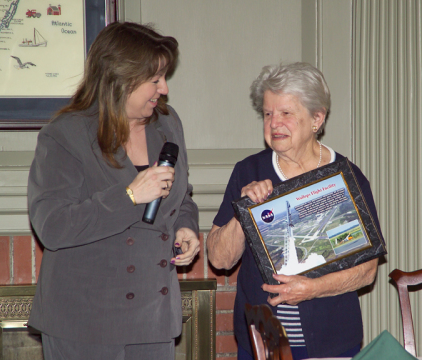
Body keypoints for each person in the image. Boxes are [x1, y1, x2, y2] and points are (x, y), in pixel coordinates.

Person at [27, 22, 200, 360]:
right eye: (154, 79)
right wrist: (130, 197)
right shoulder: (66, 135)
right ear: (120, 80)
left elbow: (182, 196)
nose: (163, 89)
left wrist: (186, 226)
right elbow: (53, 227)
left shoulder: (168, 124)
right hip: (87, 324)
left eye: (164, 77)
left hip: (154, 320)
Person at [207, 62, 383, 360]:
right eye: (267, 113)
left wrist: (311, 289)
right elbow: (219, 259)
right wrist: (244, 211)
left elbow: (366, 271)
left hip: (332, 345)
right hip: (261, 345)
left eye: (286, 113)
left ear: (317, 118)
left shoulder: (345, 178)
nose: (274, 123)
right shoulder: (249, 171)